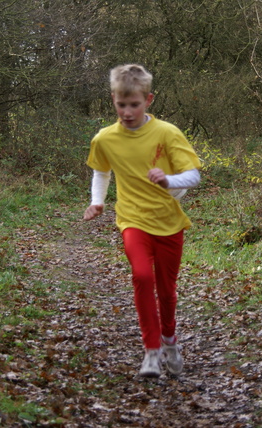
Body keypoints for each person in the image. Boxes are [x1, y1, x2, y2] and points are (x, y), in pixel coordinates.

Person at [83, 64, 201, 377]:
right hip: (132, 219)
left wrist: (169, 181)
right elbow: (101, 171)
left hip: (168, 222)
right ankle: (151, 352)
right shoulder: (105, 139)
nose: (127, 112)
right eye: (121, 105)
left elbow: (193, 175)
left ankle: (169, 340)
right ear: (113, 100)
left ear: (148, 100)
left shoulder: (166, 133)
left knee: (166, 289)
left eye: (134, 104)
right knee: (141, 276)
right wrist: (97, 202)